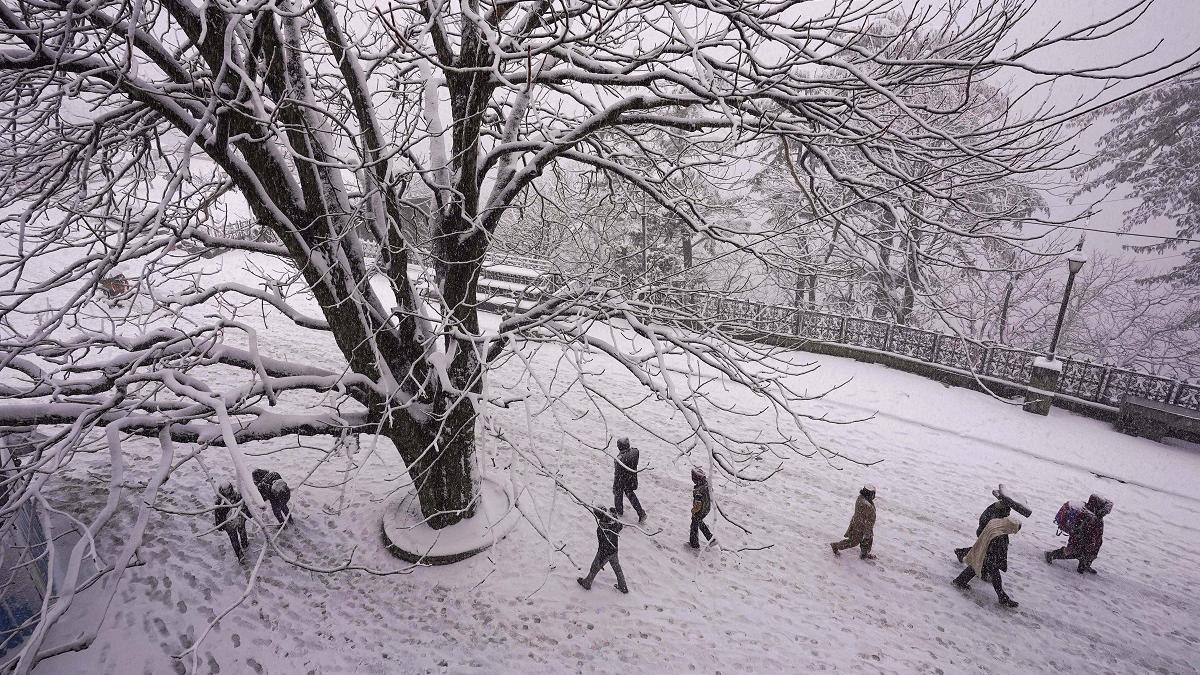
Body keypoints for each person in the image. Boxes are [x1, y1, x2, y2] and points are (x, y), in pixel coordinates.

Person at [955, 484, 1031, 579]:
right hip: (986, 533)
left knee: (983, 550)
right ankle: (974, 566)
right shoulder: (996, 512)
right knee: (984, 551)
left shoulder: (999, 509)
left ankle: (965, 555)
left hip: (988, 533)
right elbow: (989, 524)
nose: (1008, 511)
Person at [953, 516, 1022, 608]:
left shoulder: (996, 523)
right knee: (995, 576)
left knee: (976, 566)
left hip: (984, 550)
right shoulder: (999, 535)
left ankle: (960, 581)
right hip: (989, 556)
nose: (1013, 532)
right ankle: (1002, 597)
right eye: (1014, 530)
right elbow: (997, 549)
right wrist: (996, 561)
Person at [1045, 494, 1112, 574]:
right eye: (1104, 511)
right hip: (1081, 541)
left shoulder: (1098, 517)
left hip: (1091, 543)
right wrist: (1083, 542)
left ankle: (1084, 565)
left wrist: (1097, 542)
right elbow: (1077, 531)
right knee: (1074, 552)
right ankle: (1051, 555)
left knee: (1089, 554)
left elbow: (1098, 533)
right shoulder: (1086, 515)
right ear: (1097, 507)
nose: (1106, 513)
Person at [577, 505, 628, 594]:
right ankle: (623, 586)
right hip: (614, 550)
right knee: (617, 568)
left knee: (594, 567)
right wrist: (614, 516)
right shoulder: (614, 522)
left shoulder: (601, 528)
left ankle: (587, 583)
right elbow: (620, 527)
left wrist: (601, 559)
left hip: (604, 553)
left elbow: (602, 544)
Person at [830, 485, 877, 560]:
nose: (874, 496)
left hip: (864, 525)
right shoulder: (865, 504)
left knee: (867, 541)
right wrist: (867, 530)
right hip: (859, 526)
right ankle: (835, 546)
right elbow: (866, 518)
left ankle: (864, 554)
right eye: (873, 494)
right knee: (853, 542)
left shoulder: (863, 498)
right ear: (869, 494)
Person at [215, 482, 252, 562]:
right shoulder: (219, 502)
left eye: (228, 488)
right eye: (224, 489)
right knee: (234, 539)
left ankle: (244, 544)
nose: (227, 491)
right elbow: (218, 514)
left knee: (242, 532)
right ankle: (240, 556)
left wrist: (248, 514)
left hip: (239, 519)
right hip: (229, 524)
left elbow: (244, 505)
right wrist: (220, 525)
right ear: (221, 490)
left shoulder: (237, 496)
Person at [612, 438, 645, 522]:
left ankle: (619, 512)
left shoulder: (619, 460)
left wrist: (615, 486)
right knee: (631, 495)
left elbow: (617, 475)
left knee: (618, 493)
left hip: (622, 480)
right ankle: (641, 512)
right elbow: (634, 449)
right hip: (631, 479)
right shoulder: (635, 452)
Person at [688, 466, 715, 549]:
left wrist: (693, 511)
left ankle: (694, 544)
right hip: (707, 508)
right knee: (699, 522)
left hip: (700, 510)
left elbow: (697, 505)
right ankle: (711, 539)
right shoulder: (706, 484)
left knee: (694, 525)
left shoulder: (698, 491)